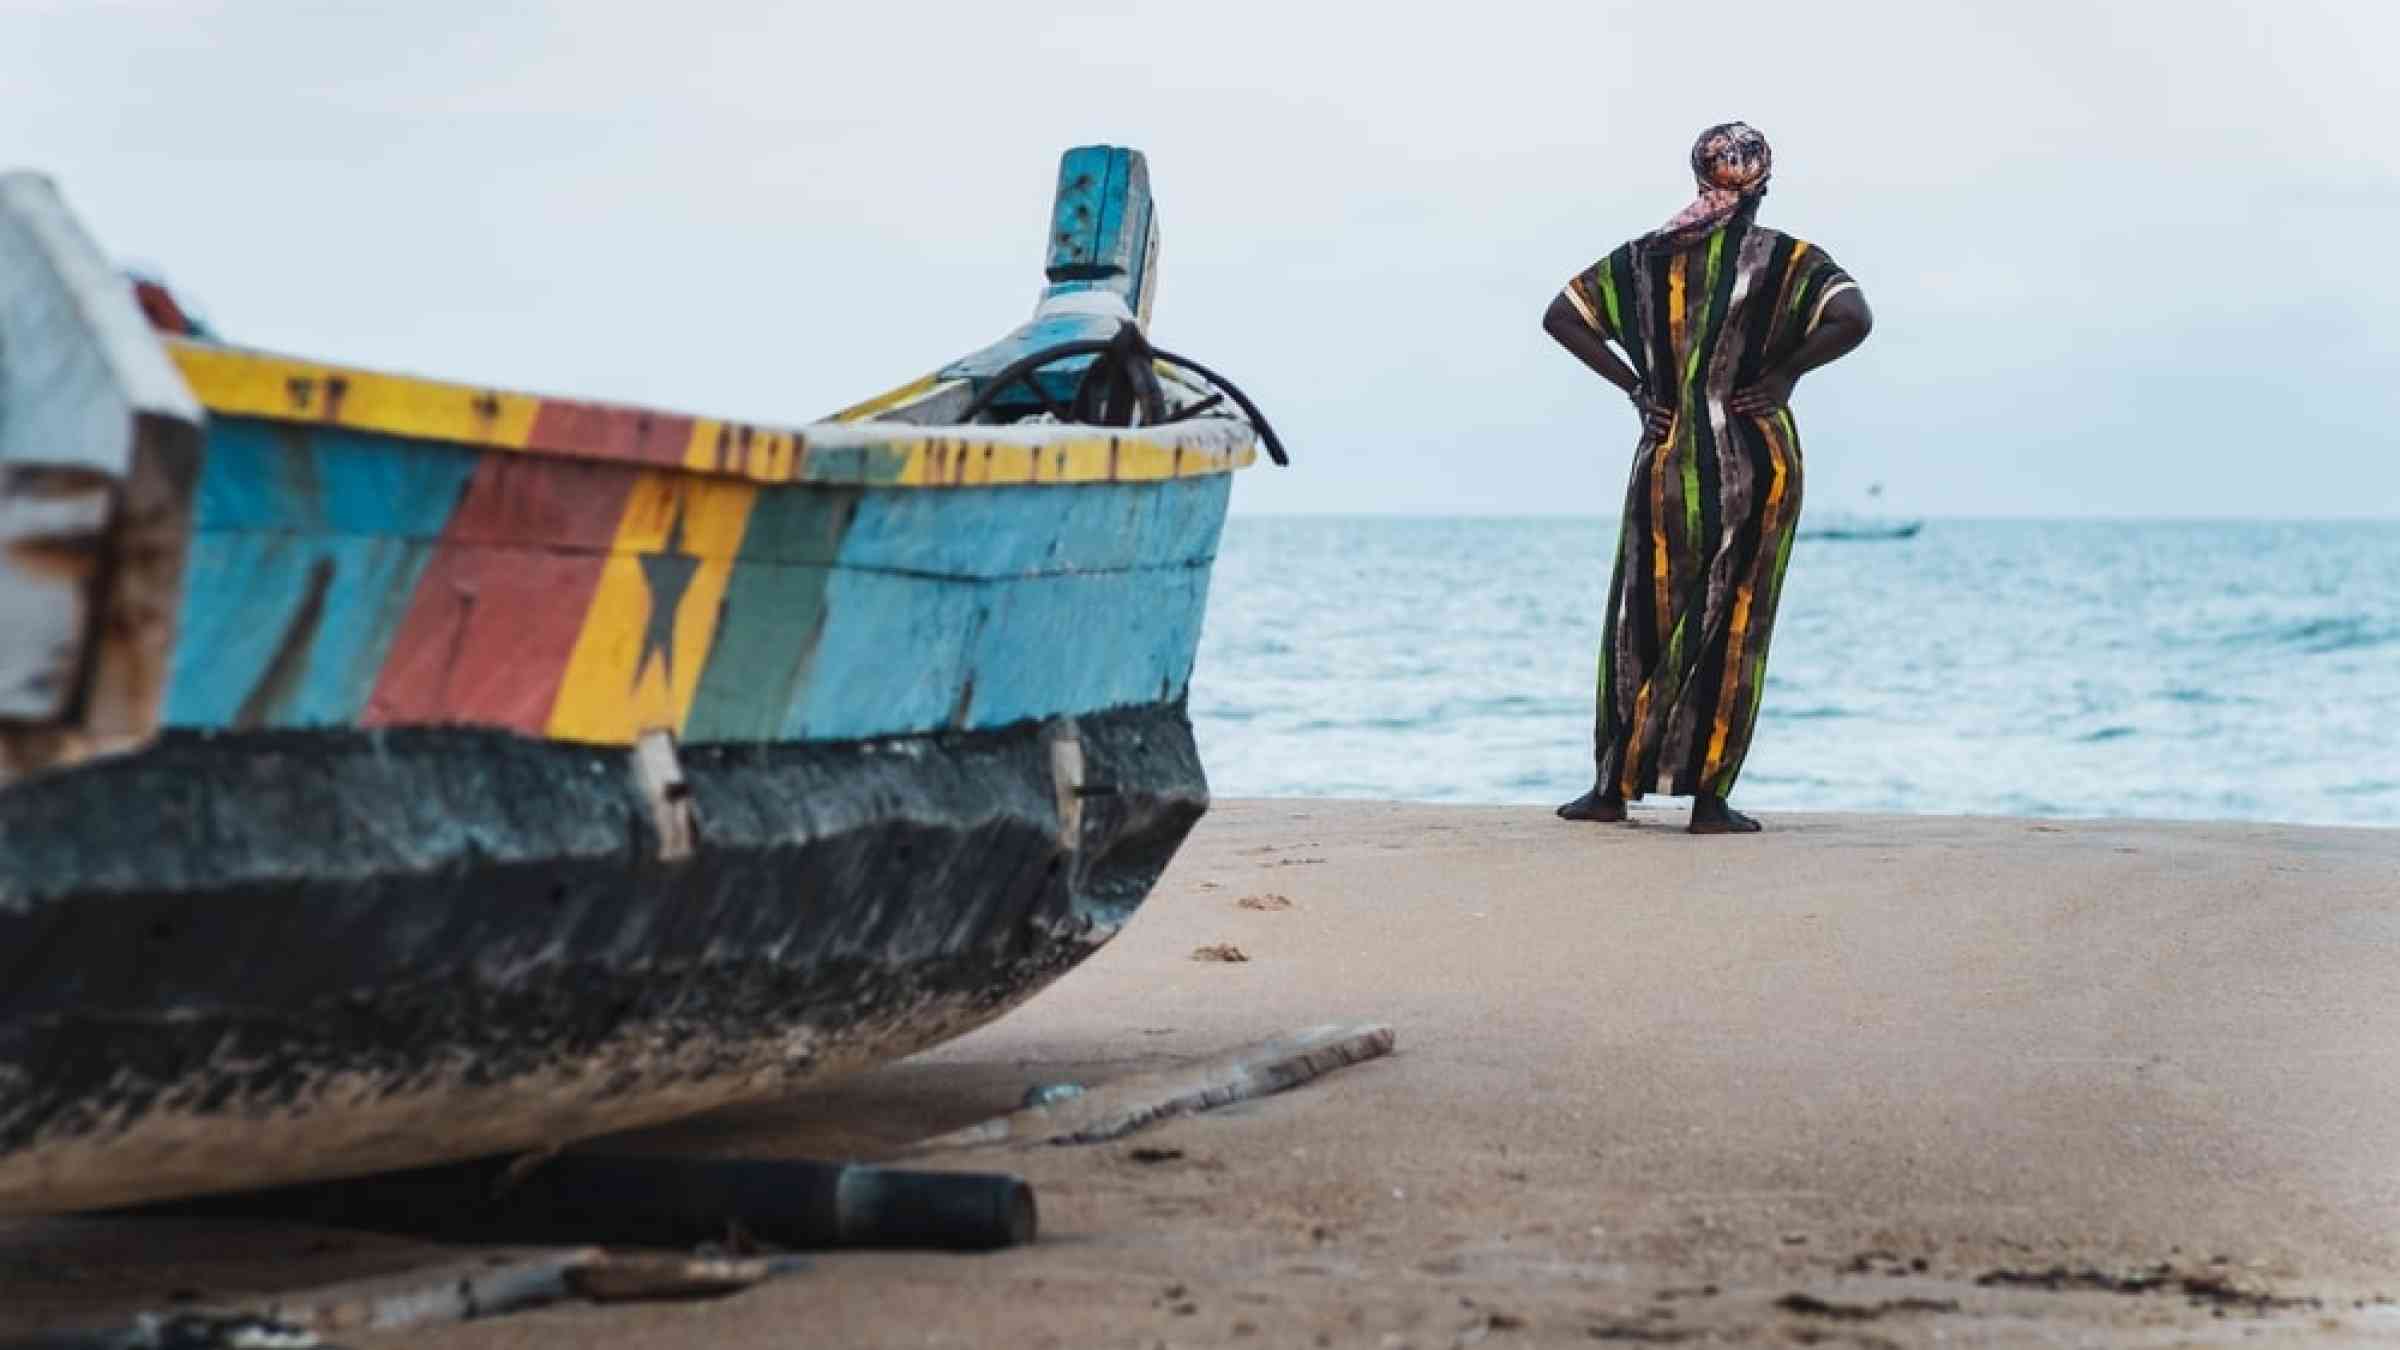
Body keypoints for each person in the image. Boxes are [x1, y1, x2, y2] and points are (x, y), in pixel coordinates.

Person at [1543, 123, 1872, 834]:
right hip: (1758, 463)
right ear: (1763, 187)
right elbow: (1853, 317)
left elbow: (1562, 317)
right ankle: (1709, 801)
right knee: (1735, 621)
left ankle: (1611, 789)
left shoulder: (1641, 262)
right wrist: (1783, 374)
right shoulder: (1789, 261)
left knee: (1640, 616)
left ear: (1698, 177)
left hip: (1665, 454)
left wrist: (1636, 388)